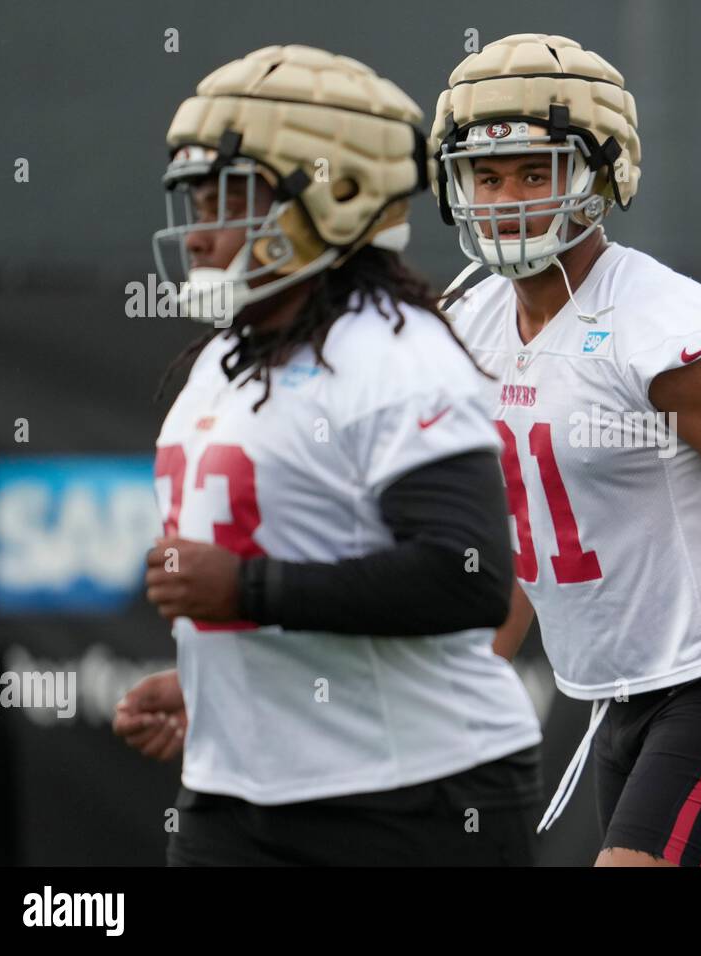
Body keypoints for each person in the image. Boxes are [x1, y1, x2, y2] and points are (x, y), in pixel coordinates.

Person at [112, 44, 542, 866]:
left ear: (335, 196)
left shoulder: (395, 356)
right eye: (193, 200)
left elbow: (468, 577)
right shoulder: (222, 359)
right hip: (234, 788)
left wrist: (245, 588)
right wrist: (214, 688)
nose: (199, 233)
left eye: (228, 199)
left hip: (412, 793)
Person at [433, 33, 701, 866]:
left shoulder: (662, 329)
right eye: (487, 175)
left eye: (536, 172)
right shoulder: (470, 320)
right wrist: (466, 682)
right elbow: (511, 524)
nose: (508, 198)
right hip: (614, 691)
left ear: (601, 176)